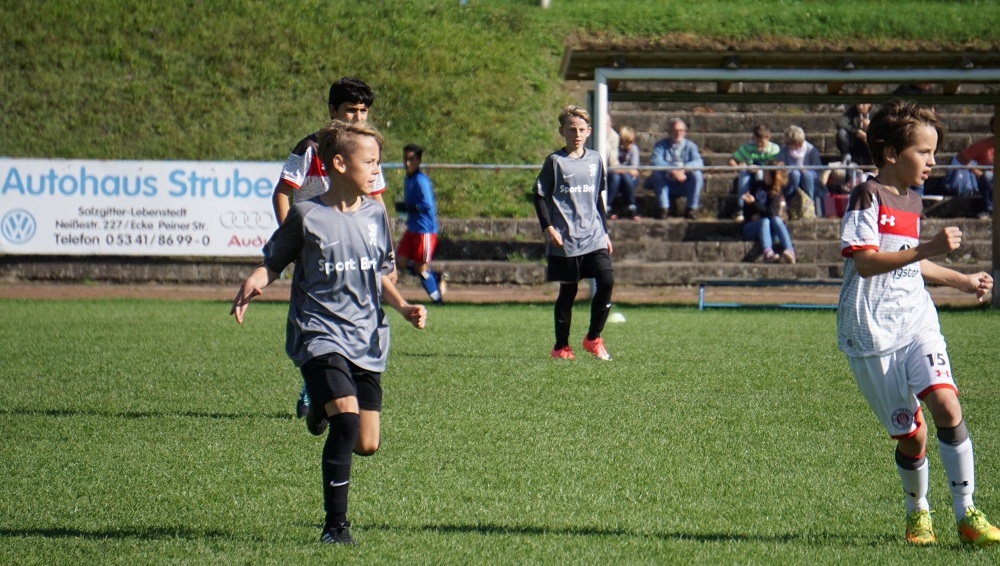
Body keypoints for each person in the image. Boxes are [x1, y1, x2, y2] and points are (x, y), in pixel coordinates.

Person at [231, 120, 427, 546]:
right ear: (339, 163)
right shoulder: (307, 214)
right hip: (318, 331)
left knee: (367, 442)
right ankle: (335, 528)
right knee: (346, 421)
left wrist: (403, 306)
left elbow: (379, 273)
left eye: (378, 162)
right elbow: (275, 260)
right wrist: (255, 280)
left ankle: (320, 405)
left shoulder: (375, 215)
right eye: (369, 162)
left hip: (366, 335)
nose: (376, 170)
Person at [837, 99, 999, 547]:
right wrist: (928, 248)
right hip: (871, 332)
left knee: (947, 405)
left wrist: (961, 280)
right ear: (892, 153)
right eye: (923, 152)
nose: (932, 162)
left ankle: (967, 514)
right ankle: (918, 513)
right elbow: (867, 262)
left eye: (933, 152)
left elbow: (909, 261)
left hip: (915, 320)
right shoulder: (867, 195)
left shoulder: (912, 199)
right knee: (913, 436)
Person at [271, 77, 390, 419]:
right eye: (350, 110)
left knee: (357, 318)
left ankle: (337, 391)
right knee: (319, 320)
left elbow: (376, 201)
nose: (358, 117)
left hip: (355, 252)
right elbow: (282, 193)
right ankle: (315, 390)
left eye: (363, 111)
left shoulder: (366, 150)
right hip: (318, 252)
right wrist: (294, 242)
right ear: (332, 111)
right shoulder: (310, 148)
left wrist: (386, 253)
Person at [533, 105, 614, 361]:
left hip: (594, 235)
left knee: (607, 280)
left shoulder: (596, 160)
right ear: (562, 132)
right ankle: (561, 347)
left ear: (589, 131)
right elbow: (539, 195)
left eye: (581, 129)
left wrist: (605, 232)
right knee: (569, 291)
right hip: (566, 238)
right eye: (571, 129)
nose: (576, 134)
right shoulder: (555, 162)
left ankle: (593, 338)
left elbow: (597, 199)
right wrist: (548, 228)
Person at [396, 144, 444, 303]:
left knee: (420, 267)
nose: (407, 163)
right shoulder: (408, 179)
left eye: (411, 159)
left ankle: (437, 300)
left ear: (418, 161)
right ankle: (433, 277)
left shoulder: (421, 180)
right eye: (405, 159)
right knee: (400, 262)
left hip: (425, 230)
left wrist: (409, 207)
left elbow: (427, 206)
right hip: (412, 229)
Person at [645, 117, 704, 219]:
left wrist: (684, 169)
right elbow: (655, 161)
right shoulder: (660, 146)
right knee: (657, 174)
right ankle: (663, 208)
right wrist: (671, 170)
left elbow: (698, 162)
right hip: (666, 182)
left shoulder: (691, 146)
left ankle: (691, 209)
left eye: (681, 130)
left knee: (697, 174)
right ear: (669, 132)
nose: (678, 133)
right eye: (675, 131)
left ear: (684, 132)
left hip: (684, 182)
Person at [740, 160, 795, 263]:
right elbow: (747, 210)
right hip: (751, 227)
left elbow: (772, 212)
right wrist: (752, 207)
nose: (763, 174)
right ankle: (768, 253)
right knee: (765, 221)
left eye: (766, 172)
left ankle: (790, 251)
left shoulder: (775, 192)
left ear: (771, 175)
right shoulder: (757, 186)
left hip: (770, 229)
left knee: (775, 219)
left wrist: (754, 204)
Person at [729, 123, 780, 222]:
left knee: (760, 174)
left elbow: (774, 165)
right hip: (748, 173)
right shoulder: (748, 147)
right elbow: (732, 159)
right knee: (743, 177)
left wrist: (759, 168)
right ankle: (741, 207)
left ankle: (759, 204)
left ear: (768, 138)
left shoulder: (774, 149)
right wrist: (739, 167)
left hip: (765, 174)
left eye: (762, 142)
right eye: (757, 141)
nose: (759, 145)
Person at [954, 117, 995, 219]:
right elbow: (961, 157)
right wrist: (977, 172)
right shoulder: (983, 145)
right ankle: (989, 209)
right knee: (987, 176)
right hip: (989, 181)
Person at [777, 125, 824, 203]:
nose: (798, 145)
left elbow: (818, 171)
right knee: (795, 174)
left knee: (807, 175)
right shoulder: (783, 151)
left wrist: (807, 170)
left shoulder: (811, 150)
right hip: (791, 180)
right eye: (794, 143)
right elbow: (781, 170)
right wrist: (791, 170)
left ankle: (809, 203)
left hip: (809, 179)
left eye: (800, 143)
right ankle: (790, 202)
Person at [607, 125, 640, 220]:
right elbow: (612, 167)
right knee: (616, 177)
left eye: (633, 141)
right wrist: (624, 170)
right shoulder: (615, 148)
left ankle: (613, 205)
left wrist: (621, 170)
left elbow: (634, 170)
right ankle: (631, 206)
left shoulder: (634, 149)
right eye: (629, 141)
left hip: (629, 179)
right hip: (614, 178)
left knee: (624, 176)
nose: (631, 143)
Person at [835, 98, 874, 167]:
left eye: (863, 104)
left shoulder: (876, 112)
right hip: (854, 142)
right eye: (858, 104)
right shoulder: (852, 111)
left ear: (869, 104)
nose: (860, 107)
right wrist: (856, 131)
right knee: (841, 133)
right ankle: (847, 157)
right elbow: (841, 123)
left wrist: (870, 127)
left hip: (871, 143)